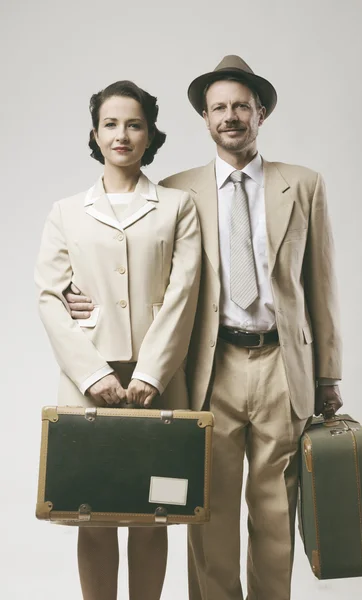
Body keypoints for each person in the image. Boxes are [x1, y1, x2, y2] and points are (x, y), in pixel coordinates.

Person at [65, 56, 343, 600]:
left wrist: (328, 374)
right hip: (208, 368)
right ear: (204, 117)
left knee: (275, 512)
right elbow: (144, 276)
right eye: (219, 107)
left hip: (284, 367)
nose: (231, 116)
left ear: (261, 112)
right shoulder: (175, 191)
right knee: (205, 509)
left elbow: (322, 286)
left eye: (242, 105)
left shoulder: (303, 185)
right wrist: (86, 299)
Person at [35, 80, 201, 600]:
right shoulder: (65, 211)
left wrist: (152, 372)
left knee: (155, 510)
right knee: (94, 510)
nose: (122, 134)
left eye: (134, 124)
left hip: (158, 379)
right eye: (111, 124)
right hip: (89, 381)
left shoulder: (178, 206)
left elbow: (184, 292)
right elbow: (49, 297)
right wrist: (93, 374)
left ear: (150, 134)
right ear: (95, 133)